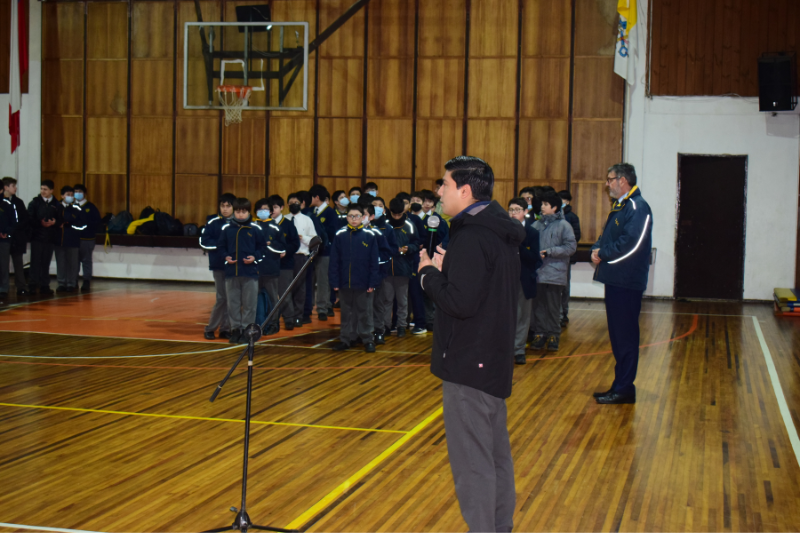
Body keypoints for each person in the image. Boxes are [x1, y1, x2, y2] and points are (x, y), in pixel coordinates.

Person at [418, 155, 524, 533]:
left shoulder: (471, 236)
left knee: (472, 464)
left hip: (468, 364)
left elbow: (459, 303)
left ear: (464, 190)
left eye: (443, 185)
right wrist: (452, 270)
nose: (439, 191)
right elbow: (482, 289)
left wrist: (428, 275)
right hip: (492, 359)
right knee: (495, 457)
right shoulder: (498, 231)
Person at [591, 163, 653, 405]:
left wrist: (603, 253)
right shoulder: (621, 206)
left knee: (625, 337)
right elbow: (608, 236)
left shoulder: (638, 207)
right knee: (618, 337)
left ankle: (625, 387)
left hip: (627, 283)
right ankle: (620, 385)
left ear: (623, 180)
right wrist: (597, 250)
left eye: (610, 179)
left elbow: (632, 244)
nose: (608, 184)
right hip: (615, 281)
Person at [329, 204, 380, 353]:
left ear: (363, 217)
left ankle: (367, 339)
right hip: (344, 283)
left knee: (364, 312)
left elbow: (373, 262)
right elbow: (334, 261)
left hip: (363, 283)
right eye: (351, 216)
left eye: (357, 216)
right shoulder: (340, 235)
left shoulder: (369, 236)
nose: (354, 219)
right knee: (346, 313)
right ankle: (346, 339)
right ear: (347, 217)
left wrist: (372, 282)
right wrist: (335, 282)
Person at [530, 192, 576, 352]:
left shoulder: (564, 226)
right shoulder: (536, 225)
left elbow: (571, 247)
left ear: (554, 207)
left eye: (545, 204)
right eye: (541, 204)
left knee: (553, 307)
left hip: (555, 274)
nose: (542, 207)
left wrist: (550, 251)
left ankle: (553, 335)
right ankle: (540, 334)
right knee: (538, 306)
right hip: (538, 274)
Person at [218, 198, 266, 344]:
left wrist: (255, 257)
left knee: (249, 304)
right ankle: (235, 330)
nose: (240, 215)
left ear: (248, 212)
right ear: (234, 212)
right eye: (238, 211)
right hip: (232, 273)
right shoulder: (227, 229)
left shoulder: (255, 229)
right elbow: (220, 248)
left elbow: (263, 249)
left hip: (250, 273)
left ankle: (247, 330)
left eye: (243, 211)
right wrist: (226, 257)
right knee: (233, 303)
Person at [508, 198, 542, 365]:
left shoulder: (532, 233)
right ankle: (505, 348)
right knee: (506, 315)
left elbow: (535, 258)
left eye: (517, 209)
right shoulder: (502, 231)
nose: (513, 213)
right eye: (511, 210)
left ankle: (519, 349)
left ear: (525, 212)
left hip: (524, 279)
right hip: (505, 279)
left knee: (522, 316)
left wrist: (518, 245)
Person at [200, 193, 236, 340]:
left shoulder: (238, 222)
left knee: (231, 298)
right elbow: (203, 241)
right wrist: (222, 246)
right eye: (223, 206)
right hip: (219, 265)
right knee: (222, 298)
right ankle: (210, 328)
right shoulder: (213, 223)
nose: (225, 209)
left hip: (234, 266)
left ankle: (225, 328)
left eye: (228, 206)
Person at [383, 198, 419, 337]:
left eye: (399, 214)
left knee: (402, 300)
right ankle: (386, 325)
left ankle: (402, 326)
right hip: (386, 269)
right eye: (394, 214)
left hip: (403, 268)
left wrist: (408, 248)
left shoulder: (409, 225)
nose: (397, 217)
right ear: (390, 211)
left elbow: (416, 243)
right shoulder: (384, 225)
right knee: (387, 300)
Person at [254, 198, 286, 335]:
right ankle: (258, 323)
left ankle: (274, 323)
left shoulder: (275, 227)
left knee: (273, 297)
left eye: (266, 209)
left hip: (271, 268)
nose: (263, 212)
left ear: (271, 212)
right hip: (254, 269)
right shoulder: (252, 226)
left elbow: (282, 248)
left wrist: (269, 245)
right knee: (255, 298)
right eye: (260, 209)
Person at [309, 184, 341, 321]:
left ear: (317, 197)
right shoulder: (311, 211)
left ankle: (323, 308)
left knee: (323, 281)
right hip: (311, 253)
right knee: (311, 281)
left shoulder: (330, 213)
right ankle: (312, 306)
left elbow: (333, 233)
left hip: (326, 252)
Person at [269, 195, 301, 331]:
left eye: (275, 207)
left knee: (284, 293)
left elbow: (295, 243)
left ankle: (289, 319)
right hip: (268, 265)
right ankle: (272, 320)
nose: (272, 210)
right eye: (270, 208)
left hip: (285, 264)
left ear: (282, 208)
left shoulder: (288, 224)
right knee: (270, 294)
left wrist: (285, 251)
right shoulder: (264, 224)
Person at [286, 193, 317, 328]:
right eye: (291, 202)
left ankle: (298, 316)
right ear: (287, 205)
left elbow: (314, 239)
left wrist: (302, 237)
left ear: (301, 204)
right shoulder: (284, 220)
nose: (294, 204)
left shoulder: (307, 220)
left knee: (300, 287)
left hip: (301, 256)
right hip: (286, 257)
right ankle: (287, 315)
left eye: (296, 202)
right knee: (286, 287)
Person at [27, 180, 62, 295]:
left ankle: (44, 285)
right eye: (41, 188)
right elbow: (29, 218)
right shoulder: (35, 203)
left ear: (51, 190)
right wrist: (40, 223)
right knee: (35, 262)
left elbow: (61, 220)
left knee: (46, 262)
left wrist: (54, 222)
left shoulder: (57, 204)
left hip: (50, 237)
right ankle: (32, 285)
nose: (43, 191)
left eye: (45, 189)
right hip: (37, 237)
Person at [558, 190, 581, 327]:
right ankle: (556, 314)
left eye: (563, 200)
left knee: (565, 286)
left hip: (566, 256)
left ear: (567, 201)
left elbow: (576, 236)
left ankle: (564, 314)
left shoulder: (572, 217)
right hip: (553, 256)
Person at [2, 177, 29, 296]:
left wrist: (13, 229)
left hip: (17, 237)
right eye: (13, 186)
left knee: (18, 263)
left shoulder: (18, 202)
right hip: (4, 237)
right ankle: (3, 288)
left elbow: (24, 219)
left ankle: (21, 287)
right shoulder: (2, 202)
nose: (15, 188)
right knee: (3, 264)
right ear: (6, 187)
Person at [72, 184, 101, 291]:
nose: (77, 194)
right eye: (75, 191)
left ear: (84, 193)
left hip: (87, 239)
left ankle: (86, 280)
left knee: (86, 260)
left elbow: (96, 222)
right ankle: (73, 280)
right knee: (74, 261)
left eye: (79, 191)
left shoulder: (91, 207)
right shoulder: (72, 206)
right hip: (74, 239)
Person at [55, 185, 84, 293]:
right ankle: (61, 283)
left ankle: (72, 283)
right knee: (61, 263)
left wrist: (68, 224)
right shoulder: (57, 207)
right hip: (59, 240)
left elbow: (82, 224)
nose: (70, 197)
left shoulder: (77, 208)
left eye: (72, 195)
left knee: (72, 263)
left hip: (73, 240)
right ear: (62, 196)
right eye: (68, 195)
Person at [0, 188, 17, 298]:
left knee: (3, 265)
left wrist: (6, 232)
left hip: (4, 239)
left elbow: (14, 222)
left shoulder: (8, 204)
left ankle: (3, 288)